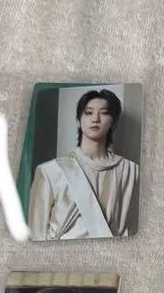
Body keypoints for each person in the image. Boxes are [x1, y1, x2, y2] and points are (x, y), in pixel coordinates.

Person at [27, 88, 139, 239]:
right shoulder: (50, 171)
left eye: (104, 113)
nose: (95, 119)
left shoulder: (131, 171)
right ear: (79, 120)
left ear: (113, 122)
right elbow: (36, 234)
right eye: (88, 112)